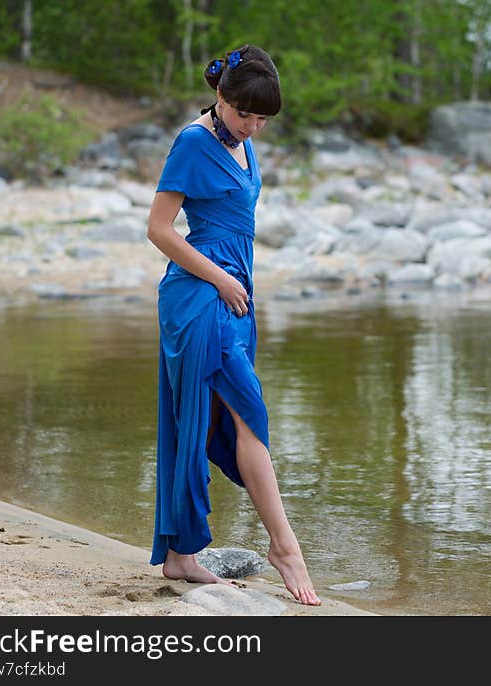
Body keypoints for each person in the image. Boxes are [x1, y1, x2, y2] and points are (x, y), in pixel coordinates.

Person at [146, 44, 321, 606]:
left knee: (202, 420)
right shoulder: (194, 143)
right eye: (245, 114)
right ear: (220, 97)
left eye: (263, 119)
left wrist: (234, 284)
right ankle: (284, 545)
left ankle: (179, 555)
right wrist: (220, 279)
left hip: (238, 296)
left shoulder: (242, 142)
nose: (253, 127)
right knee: (249, 416)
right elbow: (159, 228)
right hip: (201, 295)